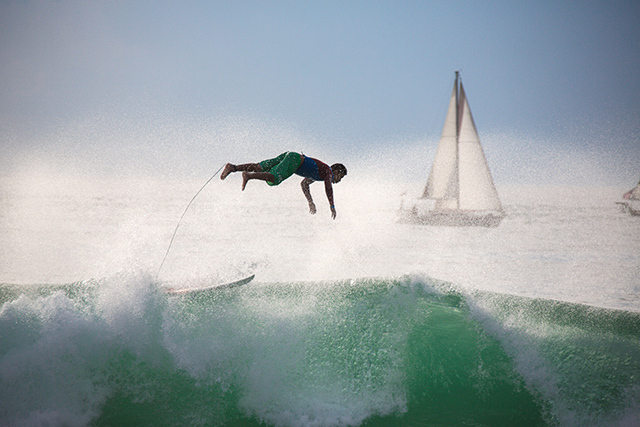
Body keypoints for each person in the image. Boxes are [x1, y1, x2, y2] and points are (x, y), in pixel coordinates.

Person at [220, 152, 347, 219]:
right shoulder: (328, 172)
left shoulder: (321, 173)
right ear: (336, 171)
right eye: (340, 177)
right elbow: (328, 188)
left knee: (260, 166)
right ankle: (248, 175)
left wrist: (310, 201)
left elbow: (304, 184)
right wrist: (332, 206)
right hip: (294, 160)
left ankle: (233, 167)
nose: (338, 181)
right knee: (274, 179)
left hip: (291, 155)